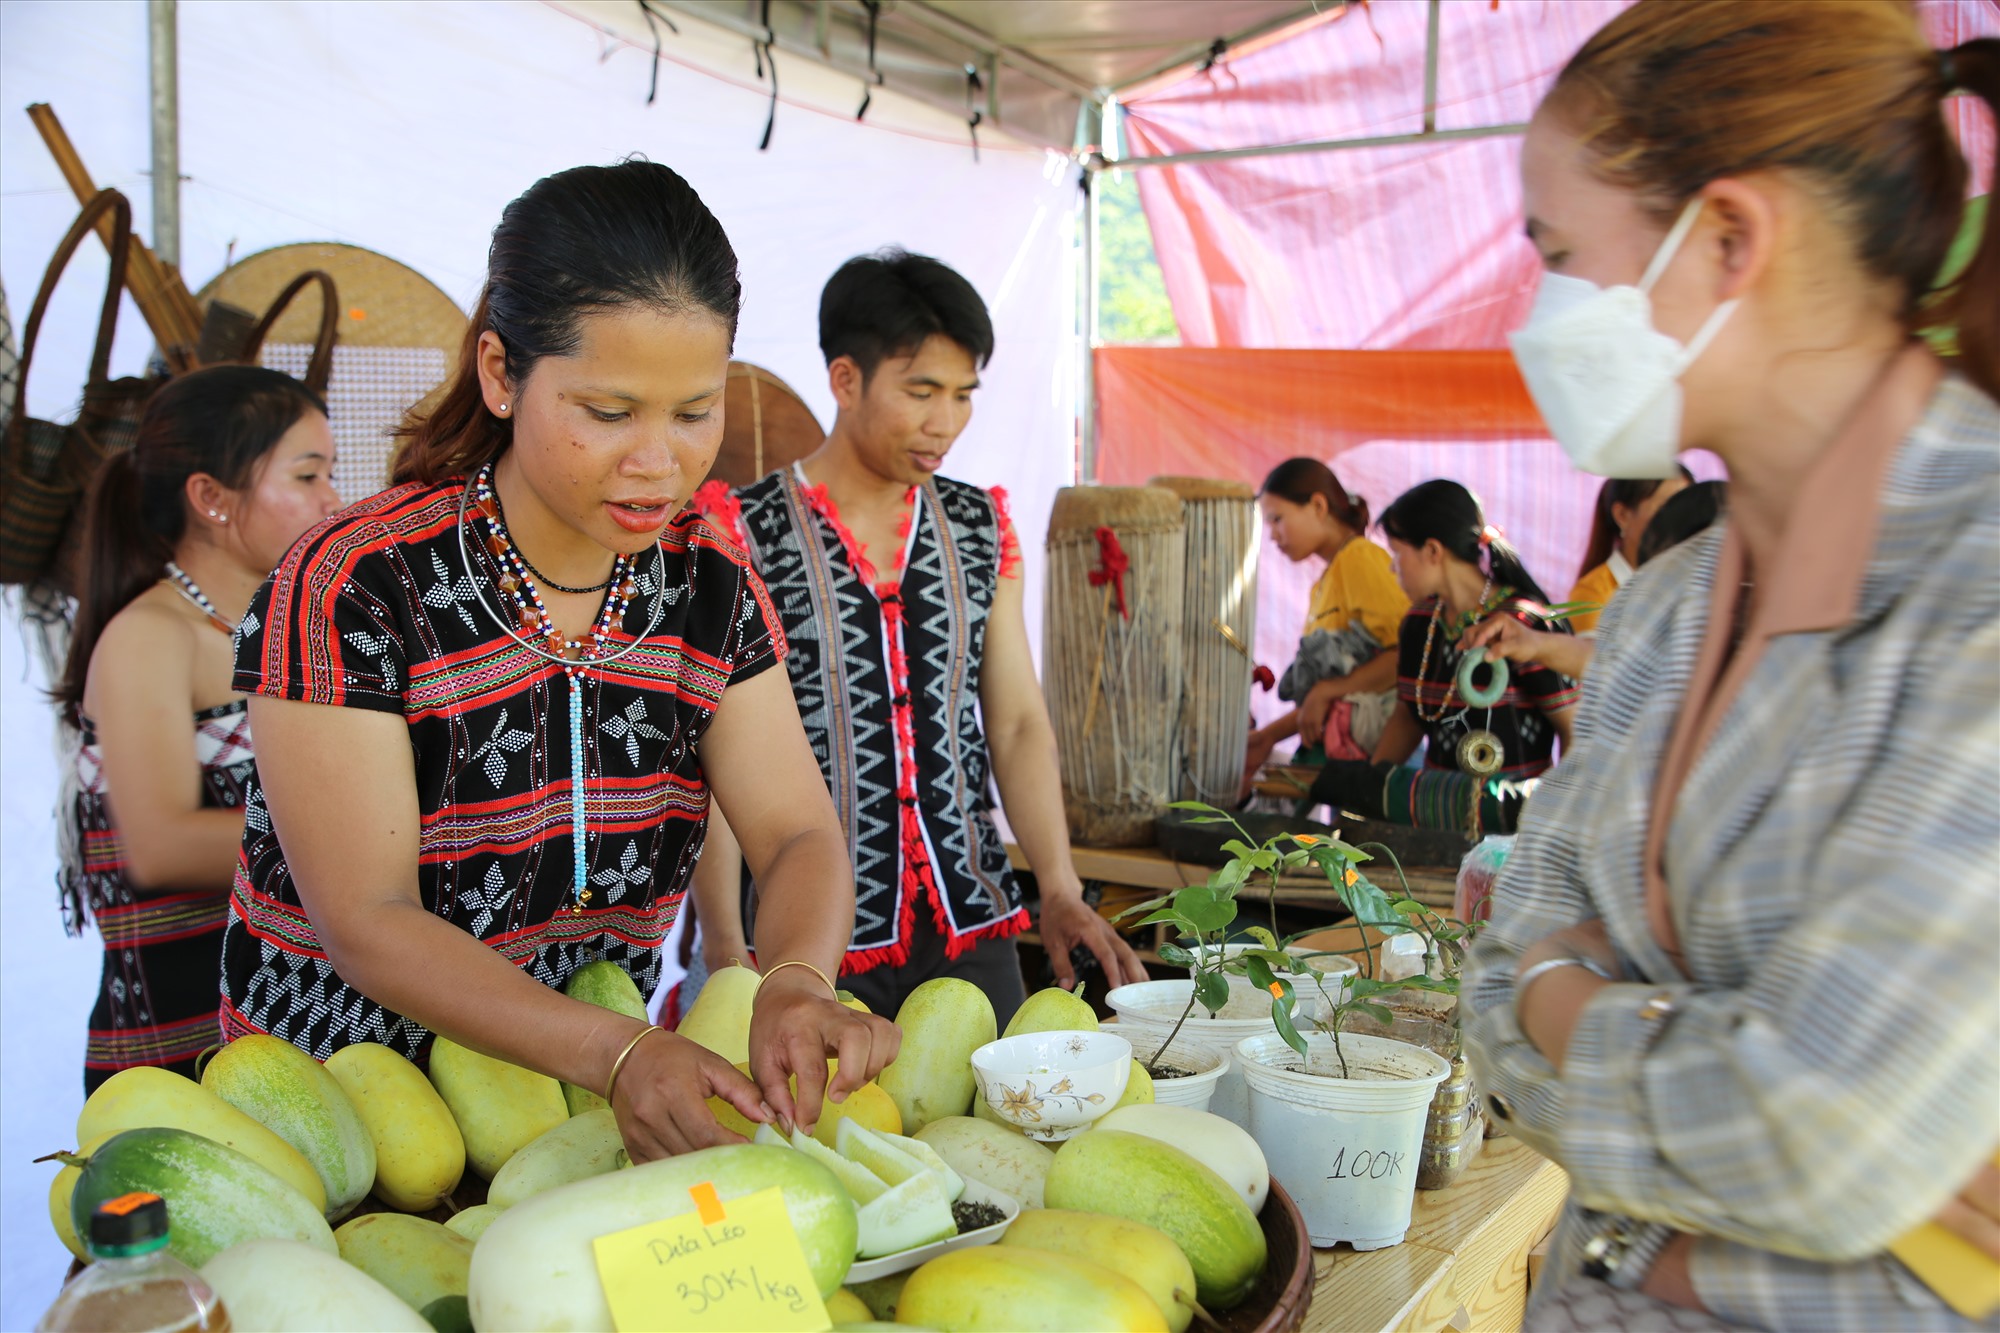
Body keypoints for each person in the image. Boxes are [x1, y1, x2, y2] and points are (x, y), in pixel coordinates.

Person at [1463, 4, 1999, 1328]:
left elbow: (1824, 1142)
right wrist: (1568, 988)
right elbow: (1495, 979)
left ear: (1728, 239)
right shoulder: (1669, 607)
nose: (1545, 314)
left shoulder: (1973, 586)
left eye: (1563, 255)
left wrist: (1571, 999)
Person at [219, 161, 898, 1161]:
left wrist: (793, 977)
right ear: (501, 373)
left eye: (692, 410)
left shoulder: (706, 584)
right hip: (338, 1121)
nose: (657, 459)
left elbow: (795, 831)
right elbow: (365, 915)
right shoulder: (353, 582)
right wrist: (619, 1052)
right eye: (610, 412)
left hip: (581, 1105)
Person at [690, 249, 1144, 1026]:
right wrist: (728, 944)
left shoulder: (978, 524)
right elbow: (719, 757)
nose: (946, 421)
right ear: (845, 380)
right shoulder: (745, 532)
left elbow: (1017, 721)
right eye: (922, 391)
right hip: (804, 943)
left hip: (972, 921)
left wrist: (1060, 887)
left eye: (964, 394)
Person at [53, 365, 340, 1092]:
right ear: (210, 497)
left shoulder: (300, 626)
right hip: (179, 1052)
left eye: (329, 473)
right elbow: (160, 846)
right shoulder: (149, 636)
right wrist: (370, 841)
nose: (332, 499)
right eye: (307, 476)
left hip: (292, 1037)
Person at [1305, 480, 1577, 836]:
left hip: (1515, 832)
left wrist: (1562, 823)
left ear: (1432, 551)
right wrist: (1369, 796)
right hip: (1435, 825)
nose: (1391, 568)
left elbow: (1573, 732)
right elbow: (1408, 720)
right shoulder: (1420, 624)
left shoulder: (1526, 627)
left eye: (1397, 553)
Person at [1244, 458, 1408, 781]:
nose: (1273, 535)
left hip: (1386, 757)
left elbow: (1404, 660)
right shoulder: (1325, 583)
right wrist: (1268, 737)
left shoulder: (1361, 558)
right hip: (1352, 757)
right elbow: (1327, 695)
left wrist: (1329, 690)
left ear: (1318, 505)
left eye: (1277, 519)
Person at [1467, 480, 1727, 681]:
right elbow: (1608, 664)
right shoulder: (1607, 593)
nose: (1674, 520)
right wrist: (1537, 644)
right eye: (1667, 507)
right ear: (1622, 514)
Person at [1565, 467, 1691, 634]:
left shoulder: (1690, 584)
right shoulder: (1591, 595)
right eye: (1666, 508)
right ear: (1622, 515)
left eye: (1686, 509)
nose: (1680, 520)